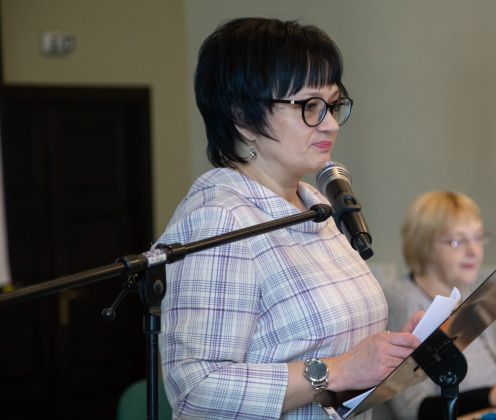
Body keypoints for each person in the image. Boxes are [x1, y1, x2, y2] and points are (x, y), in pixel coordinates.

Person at [156, 18, 421, 419]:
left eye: (333, 105)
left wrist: (396, 350)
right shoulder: (218, 219)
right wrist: (338, 371)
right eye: (309, 107)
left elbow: (339, 349)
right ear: (243, 118)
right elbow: (196, 391)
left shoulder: (313, 204)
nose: (330, 124)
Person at [384, 191, 496, 420]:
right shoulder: (404, 300)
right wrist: (493, 395)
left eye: (478, 237)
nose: (474, 251)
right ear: (423, 246)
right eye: (457, 241)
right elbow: (414, 410)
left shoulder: (467, 294)